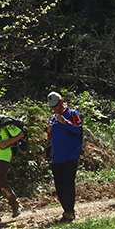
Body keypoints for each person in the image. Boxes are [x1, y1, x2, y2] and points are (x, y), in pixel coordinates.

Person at [47, 91, 84, 221]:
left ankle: (69, 210)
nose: (54, 108)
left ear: (62, 102)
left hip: (71, 154)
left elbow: (79, 130)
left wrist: (65, 123)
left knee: (68, 182)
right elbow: (51, 139)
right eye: (52, 106)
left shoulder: (73, 114)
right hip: (57, 157)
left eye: (56, 105)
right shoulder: (52, 118)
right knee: (59, 184)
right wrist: (49, 131)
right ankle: (66, 209)